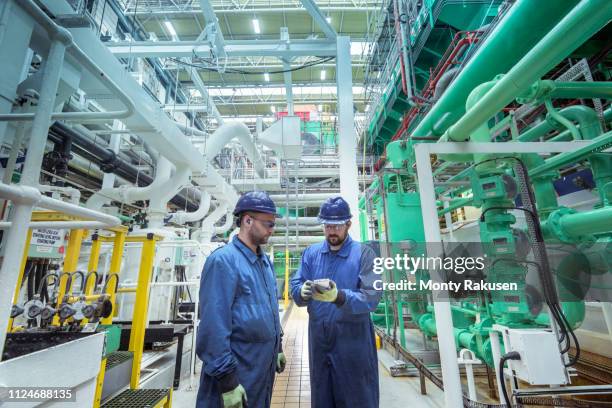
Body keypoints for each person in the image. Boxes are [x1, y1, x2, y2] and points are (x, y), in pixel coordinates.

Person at [196, 191, 285, 408]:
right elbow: (213, 327)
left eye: (273, 224)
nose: (272, 230)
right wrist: (227, 380)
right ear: (247, 220)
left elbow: (270, 309)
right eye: (268, 224)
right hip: (237, 372)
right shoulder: (223, 261)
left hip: (260, 369)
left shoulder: (265, 263)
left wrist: (278, 346)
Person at [290, 196, 381, 408]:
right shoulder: (312, 253)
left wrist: (340, 296)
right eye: (328, 225)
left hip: (353, 342)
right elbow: (297, 282)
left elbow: (372, 297)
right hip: (319, 341)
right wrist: (300, 291)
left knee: (357, 396)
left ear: (348, 224)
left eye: (338, 225)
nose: (332, 231)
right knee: (322, 396)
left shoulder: (365, 254)